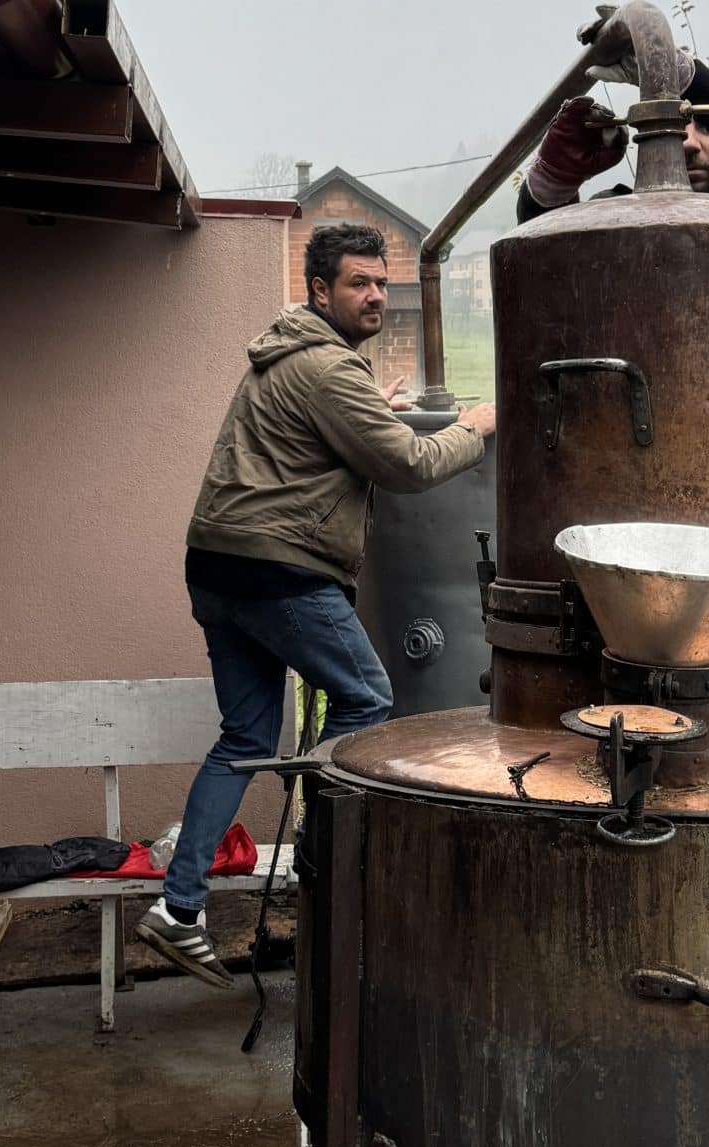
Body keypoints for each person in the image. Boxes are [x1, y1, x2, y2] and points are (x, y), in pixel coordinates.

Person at [137, 224, 499, 986]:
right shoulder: (331, 373)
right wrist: (474, 428)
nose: (375, 295)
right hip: (278, 571)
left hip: (217, 568)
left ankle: (179, 909)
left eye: (381, 282)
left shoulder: (293, 358)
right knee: (368, 698)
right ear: (319, 291)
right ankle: (321, 852)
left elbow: (320, 431)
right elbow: (406, 464)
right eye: (358, 283)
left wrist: (374, 403)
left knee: (245, 734)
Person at [518, 23, 709, 222]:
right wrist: (554, 180)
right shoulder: (614, 218)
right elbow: (545, 265)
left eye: (705, 124)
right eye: (676, 127)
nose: (689, 143)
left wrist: (693, 79)